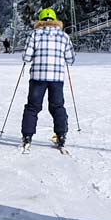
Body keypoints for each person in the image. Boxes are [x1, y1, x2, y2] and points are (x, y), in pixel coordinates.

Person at [20, 8, 74, 150]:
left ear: (40, 20)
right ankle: (61, 135)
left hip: (38, 77)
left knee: (32, 107)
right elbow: (70, 59)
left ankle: (27, 136)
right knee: (57, 106)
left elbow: (26, 57)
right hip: (56, 78)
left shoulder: (34, 35)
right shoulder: (64, 36)